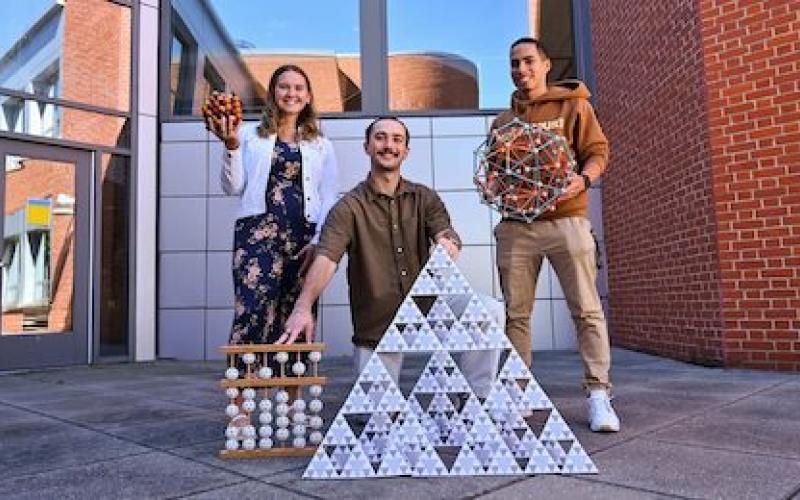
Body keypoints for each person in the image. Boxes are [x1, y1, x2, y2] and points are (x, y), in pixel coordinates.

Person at [280, 117, 497, 398]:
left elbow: (447, 232)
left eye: (397, 140)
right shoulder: (348, 207)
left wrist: (448, 243)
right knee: (375, 422)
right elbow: (326, 257)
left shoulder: (425, 198)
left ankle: (475, 397)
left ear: (405, 151)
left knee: (489, 308)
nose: (388, 145)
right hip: (378, 324)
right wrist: (303, 306)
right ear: (367, 147)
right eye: (380, 138)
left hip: (429, 306)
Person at [491, 37, 620, 432]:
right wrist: (494, 184)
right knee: (516, 314)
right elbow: (498, 170)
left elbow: (598, 152)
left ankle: (599, 395)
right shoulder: (503, 122)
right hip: (517, 226)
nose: (521, 69)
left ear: (546, 65)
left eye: (528, 61)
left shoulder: (574, 105)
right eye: (515, 63)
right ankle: (516, 392)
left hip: (567, 220)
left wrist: (583, 181)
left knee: (586, 310)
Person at [208, 64, 338, 356]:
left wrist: (319, 241)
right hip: (256, 234)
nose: (291, 93)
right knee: (252, 310)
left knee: (296, 313)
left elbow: (329, 195)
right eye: (284, 86)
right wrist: (230, 147)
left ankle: (291, 400)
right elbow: (232, 186)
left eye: (298, 87)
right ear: (272, 93)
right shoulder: (247, 135)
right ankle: (241, 396)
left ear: (307, 97)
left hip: (304, 238)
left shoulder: (322, 145)